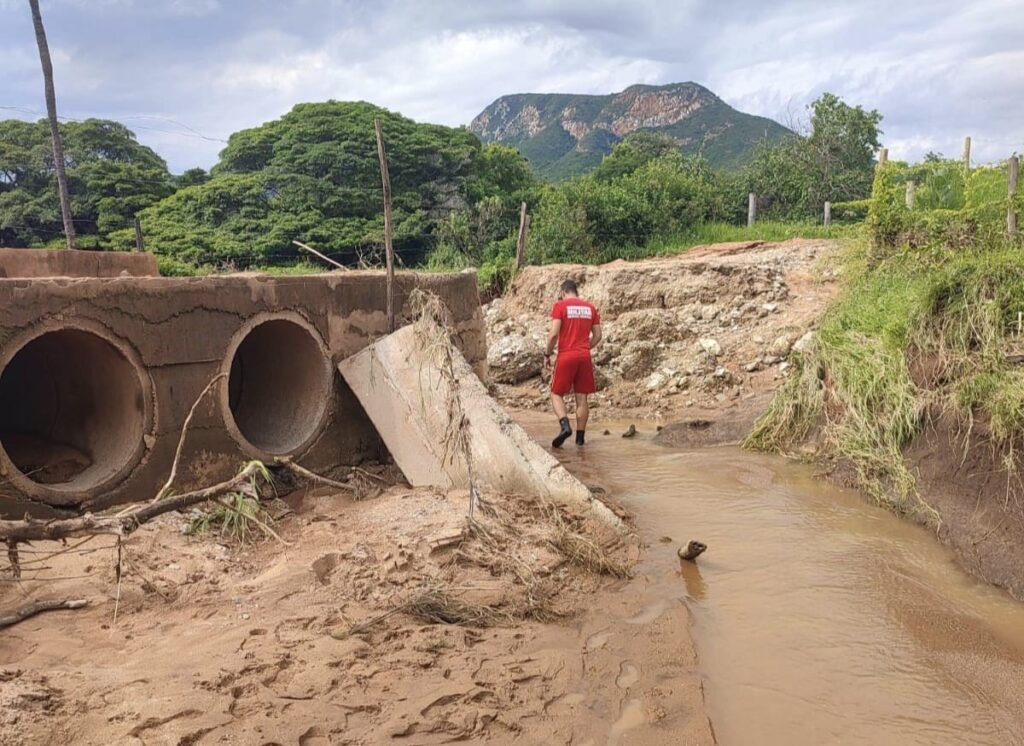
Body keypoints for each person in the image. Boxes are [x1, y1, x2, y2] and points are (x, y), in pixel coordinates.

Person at [544, 279, 602, 448]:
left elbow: (554, 334)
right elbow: (598, 336)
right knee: (582, 398)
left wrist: (547, 354)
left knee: (556, 393)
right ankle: (580, 440)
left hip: (566, 356)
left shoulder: (560, 306)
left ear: (563, 293)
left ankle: (565, 426)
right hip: (584, 356)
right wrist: (585, 348)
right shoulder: (590, 308)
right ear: (575, 291)